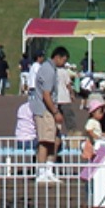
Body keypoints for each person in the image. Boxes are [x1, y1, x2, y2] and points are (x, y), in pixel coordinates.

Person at [30, 47, 68, 183]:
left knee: (56, 140)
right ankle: (40, 172)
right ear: (57, 57)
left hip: (50, 109)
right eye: (63, 60)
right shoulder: (48, 70)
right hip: (44, 110)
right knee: (45, 141)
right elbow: (46, 95)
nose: (64, 63)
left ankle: (49, 169)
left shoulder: (51, 69)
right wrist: (55, 112)